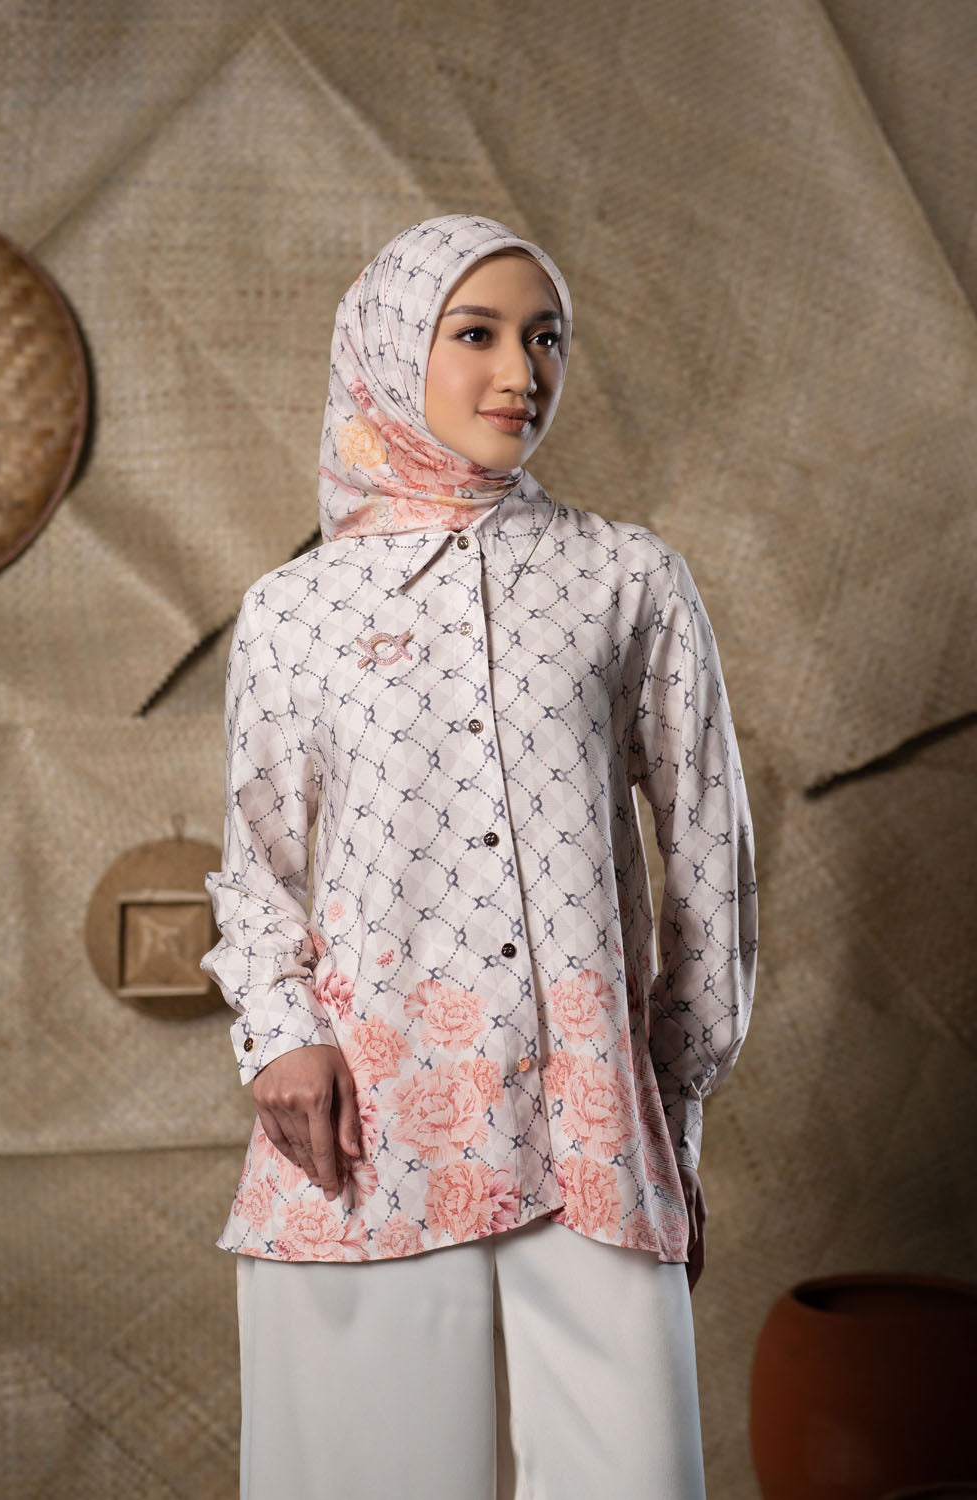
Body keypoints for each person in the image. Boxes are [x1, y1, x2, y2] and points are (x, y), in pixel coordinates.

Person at [201, 212, 757, 1500]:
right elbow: (258, 863)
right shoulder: (294, 610)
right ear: (395, 349)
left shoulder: (629, 579)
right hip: (369, 1130)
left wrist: (669, 1105)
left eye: (545, 337)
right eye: (478, 334)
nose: (522, 373)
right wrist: (277, 1036)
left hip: (592, 1128)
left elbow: (708, 859)